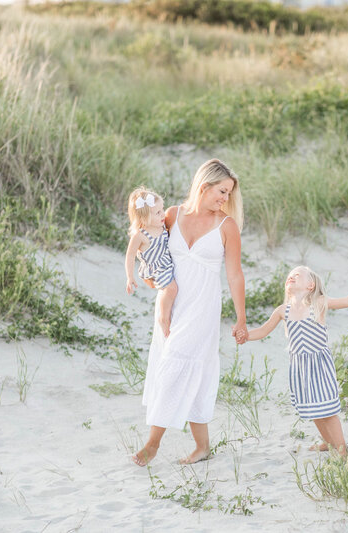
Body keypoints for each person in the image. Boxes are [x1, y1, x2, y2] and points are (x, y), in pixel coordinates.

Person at [132, 159, 247, 467]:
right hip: (172, 306)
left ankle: (152, 444)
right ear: (203, 185)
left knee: (175, 364)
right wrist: (147, 277)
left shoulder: (227, 226)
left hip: (203, 307)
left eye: (228, 194)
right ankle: (202, 447)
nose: (225, 199)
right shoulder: (171, 215)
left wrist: (241, 318)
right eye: (221, 191)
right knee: (190, 370)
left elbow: (235, 275)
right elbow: (151, 249)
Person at [244, 266, 348, 455]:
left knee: (327, 411)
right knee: (314, 410)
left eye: (297, 275)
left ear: (310, 285)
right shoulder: (283, 311)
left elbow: (347, 301)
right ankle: (328, 442)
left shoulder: (317, 303)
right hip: (300, 368)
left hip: (319, 366)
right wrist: (244, 335)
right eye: (289, 276)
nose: (291, 277)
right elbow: (263, 331)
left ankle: (342, 450)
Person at [124, 187, 178, 337]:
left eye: (162, 209)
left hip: (168, 262)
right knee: (171, 289)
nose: (163, 214)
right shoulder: (140, 236)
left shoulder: (162, 225)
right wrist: (130, 277)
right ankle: (163, 317)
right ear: (143, 219)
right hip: (157, 268)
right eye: (158, 213)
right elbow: (130, 256)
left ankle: (172, 312)